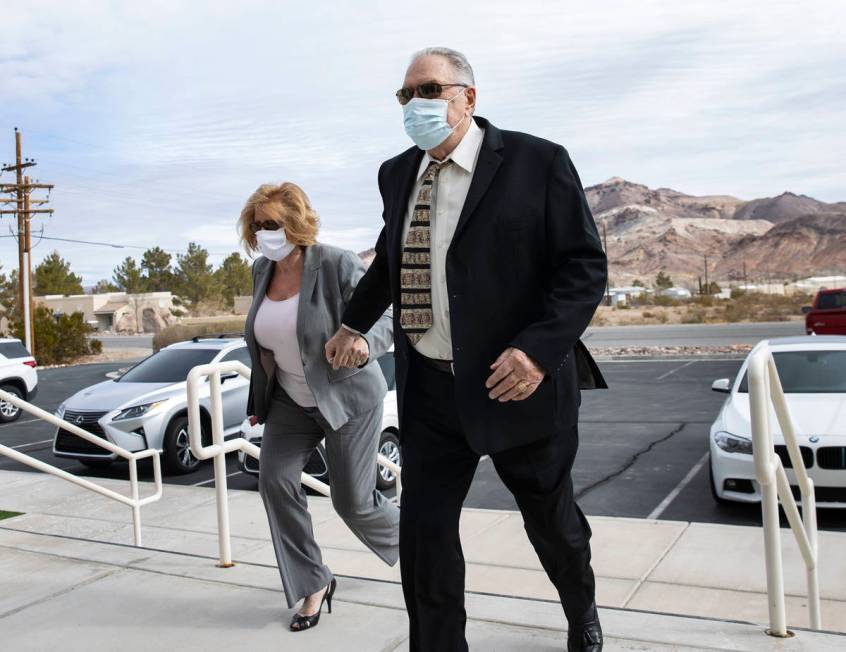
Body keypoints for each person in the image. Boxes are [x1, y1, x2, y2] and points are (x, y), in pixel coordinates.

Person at [325, 47, 608, 651]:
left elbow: (582, 268)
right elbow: (391, 259)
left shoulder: (539, 163)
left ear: (467, 98)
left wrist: (535, 351)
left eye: (428, 90)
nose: (414, 105)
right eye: (406, 95)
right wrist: (353, 325)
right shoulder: (397, 173)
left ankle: (581, 611)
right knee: (425, 533)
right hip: (430, 387)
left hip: (516, 386)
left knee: (551, 523)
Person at [241, 181, 398, 632]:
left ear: (295, 223)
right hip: (291, 400)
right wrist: (259, 400)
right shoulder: (260, 271)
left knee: (354, 503)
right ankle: (313, 583)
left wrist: (365, 342)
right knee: (274, 482)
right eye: (258, 226)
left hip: (346, 396)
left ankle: (423, 544)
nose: (265, 233)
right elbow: (264, 344)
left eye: (272, 224)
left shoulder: (335, 263)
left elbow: (387, 313)